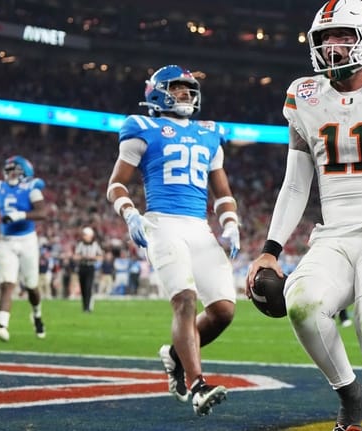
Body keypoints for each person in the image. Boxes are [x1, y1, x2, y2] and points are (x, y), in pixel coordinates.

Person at [246, 2, 362, 430]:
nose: (332, 46)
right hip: (333, 234)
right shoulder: (304, 95)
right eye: (325, 38)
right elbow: (295, 185)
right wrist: (270, 251)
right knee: (302, 304)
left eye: (343, 36)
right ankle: (351, 397)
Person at [106, 64, 239, 417]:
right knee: (185, 299)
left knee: (224, 311)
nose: (185, 94)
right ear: (157, 92)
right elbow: (116, 183)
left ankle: (175, 355)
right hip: (162, 223)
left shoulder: (211, 132)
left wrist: (231, 223)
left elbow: (222, 190)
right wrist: (130, 213)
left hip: (199, 226)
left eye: (188, 88)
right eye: (177, 88)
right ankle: (197, 385)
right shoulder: (141, 126)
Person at [0, 155, 47, 341]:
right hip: (6, 240)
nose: (10, 173)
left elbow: (43, 212)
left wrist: (20, 215)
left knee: (32, 286)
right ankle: (3, 326)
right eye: (8, 169)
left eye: (15, 169)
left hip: (27, 240)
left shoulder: (31, 188)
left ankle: (37, 315)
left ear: (25, 172)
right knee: (6, 283)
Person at [73, 226, 103, 312]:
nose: (83, 236)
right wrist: (83, 257)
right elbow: (75, 256)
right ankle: (84, 306)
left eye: (85, 235)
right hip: (82, 267)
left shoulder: (95, 245)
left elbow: (100, 257)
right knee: (83, 288)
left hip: (90, 267)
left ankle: (88, 308)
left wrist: (93, 257)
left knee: (88, 287)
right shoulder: (80, 244)